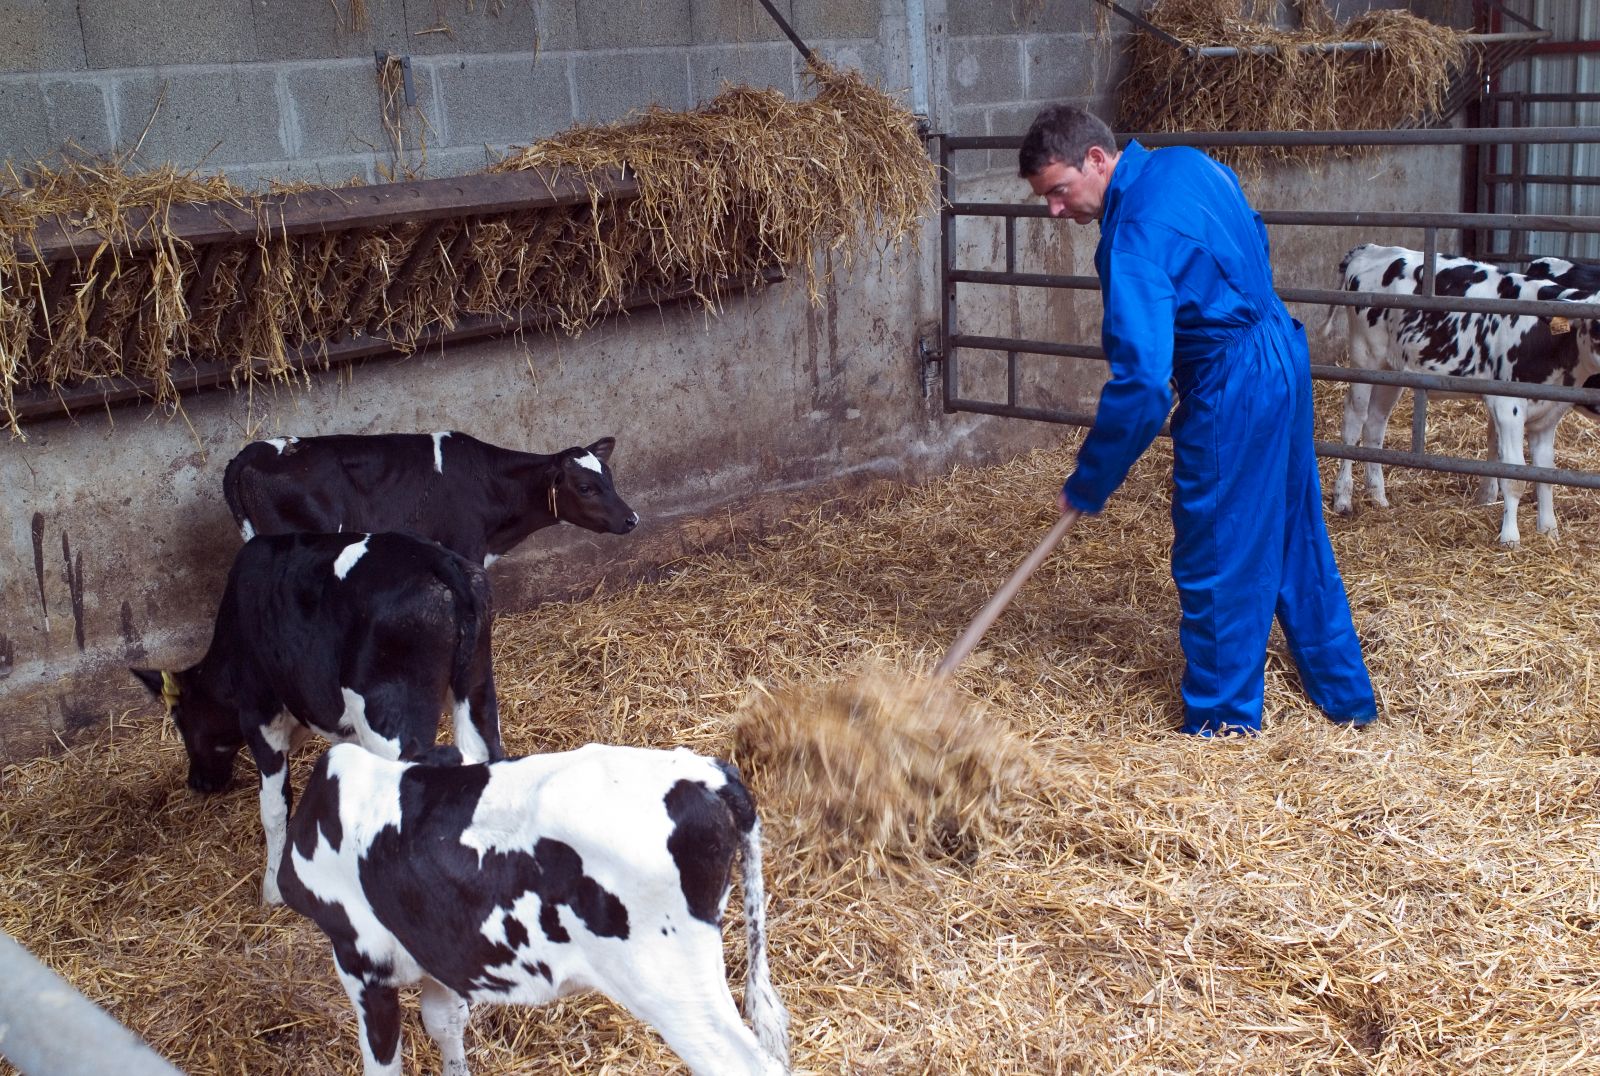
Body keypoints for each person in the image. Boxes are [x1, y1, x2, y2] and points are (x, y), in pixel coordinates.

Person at [1017, 104, 1377, 736]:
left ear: (1096, 160)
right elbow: (1255, 230)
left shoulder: (1131, 240)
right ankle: (1347, 699)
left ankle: (1221, 728)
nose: (1055, 210)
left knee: (1218, 547)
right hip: (1280, 348)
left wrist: (1090, 479)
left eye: (1058, 191)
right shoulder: (1188, 163)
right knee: (1295, 532)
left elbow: (1141, 385)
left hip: (1232, 380)